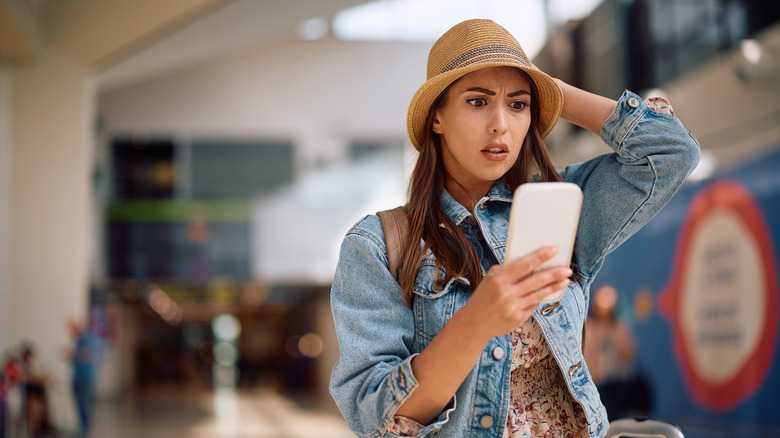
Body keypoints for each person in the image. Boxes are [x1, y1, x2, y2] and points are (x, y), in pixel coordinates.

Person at [329, 19, 699, 438]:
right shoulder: (378, 245)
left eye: (518, 105)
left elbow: (672, 152)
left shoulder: (564, 204)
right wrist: (477, 322)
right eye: (477, 102)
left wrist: (554, 93)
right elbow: (374, 414)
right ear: (437, 118)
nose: (500, 125)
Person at [583, 286, 642, 421]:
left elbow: (630, 353)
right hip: (595, 383)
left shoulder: (620, 328)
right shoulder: (589, 328)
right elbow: (585, 354)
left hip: (618, 383)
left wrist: (614, 334)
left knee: (616, 420)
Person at [64, 319, 103, 438]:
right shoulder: (78, 341)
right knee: (78, 403)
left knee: (84, 403)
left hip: (85, 377)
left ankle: (86, 429)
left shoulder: (86, 339)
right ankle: (82, 426)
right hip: (77, 376)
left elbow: (86, 355)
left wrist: (73, 355)